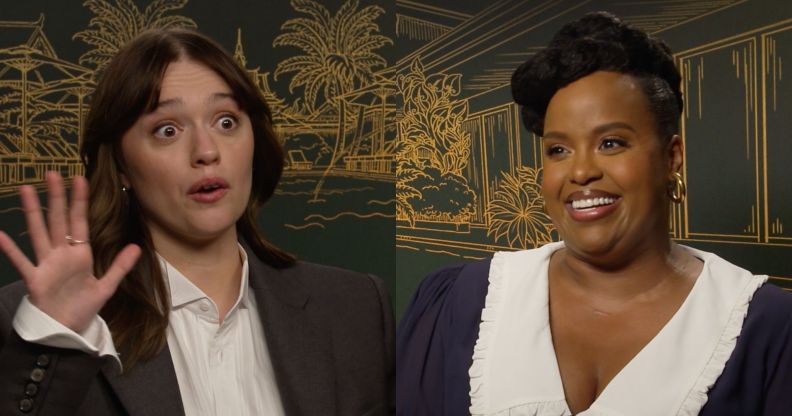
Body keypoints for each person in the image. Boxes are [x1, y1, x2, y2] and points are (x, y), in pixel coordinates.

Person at [396, 11, 792, 416]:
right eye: (558, 150)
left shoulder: (765, 328)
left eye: (611, 143)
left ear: (671, 157)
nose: (581, 171)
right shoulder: (462, 302)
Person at [0, 28, 394, 415]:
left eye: (226, 122)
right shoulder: (36, 321)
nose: (206, 151)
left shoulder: (354, 309)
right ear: (121, 166)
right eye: (167, 130)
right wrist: (57, 339)